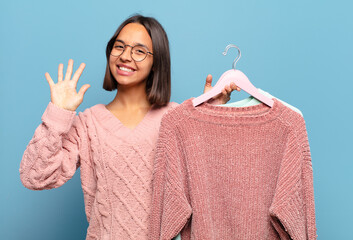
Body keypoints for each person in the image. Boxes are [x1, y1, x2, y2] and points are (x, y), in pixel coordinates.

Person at [19, 14, 238, 240]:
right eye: (119, 46)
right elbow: (35, 177)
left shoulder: (177, 118)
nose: (125, 56)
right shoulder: (87, 124)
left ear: (156, 62)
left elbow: (213, 189)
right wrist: (58, 114)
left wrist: (208, 120)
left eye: (139, 51)